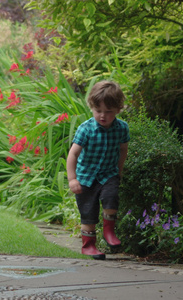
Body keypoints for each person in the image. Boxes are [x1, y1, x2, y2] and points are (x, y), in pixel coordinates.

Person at [66, 80, 130, 260]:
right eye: (98, 110)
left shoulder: (122, 128)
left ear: (118, 109)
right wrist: (72, 179)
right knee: (88, 213)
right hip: (85, 178)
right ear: (91, 107)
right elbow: (73, 155)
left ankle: (109, 232)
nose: (103, 115)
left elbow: (123, 149)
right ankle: (88, 246)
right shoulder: (85, 129)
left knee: (111, 198)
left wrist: (119, 170)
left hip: (109, 174)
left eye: (108, 111)